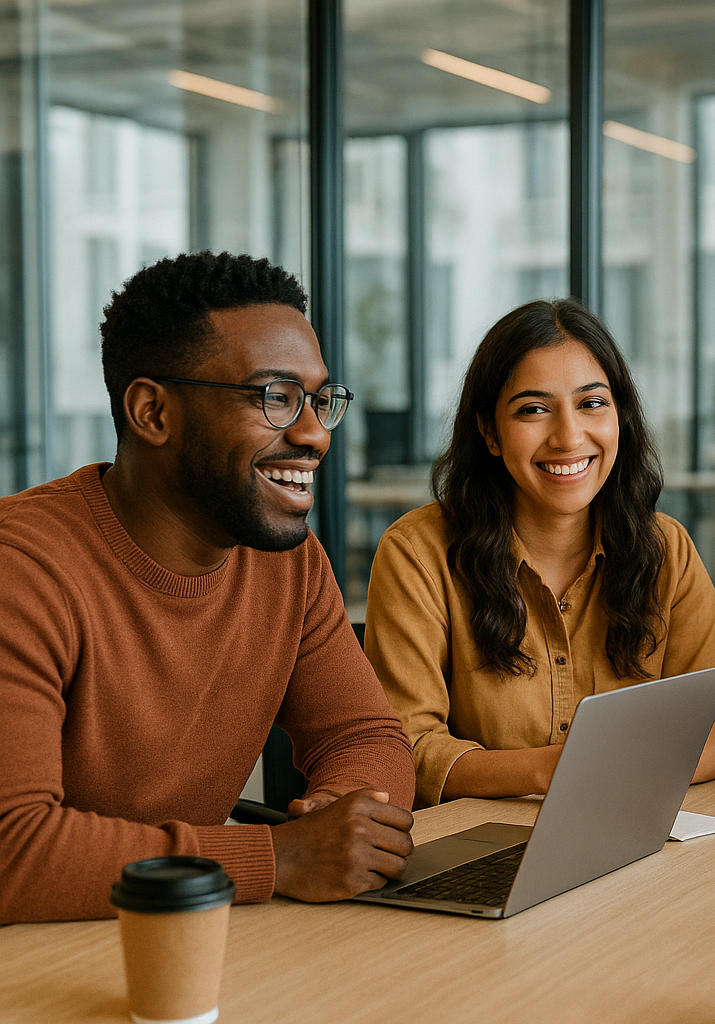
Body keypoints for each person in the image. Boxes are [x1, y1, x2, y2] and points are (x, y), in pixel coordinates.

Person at [0, 252, 418, 924]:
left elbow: (364, 735)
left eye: (319, 400)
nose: (314, 434)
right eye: (275, 397)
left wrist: (344, 813)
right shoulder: (22, 570)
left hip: (177, 933)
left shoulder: (287, 561)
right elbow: (11, 849)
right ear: (152, 412)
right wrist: (279, 858)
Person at [365, 299, 715, 807]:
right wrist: (557, 769)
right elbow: (407, 751)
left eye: (592, 403)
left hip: (633, 830)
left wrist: (623, 771)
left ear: (620, 416)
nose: (569, 437)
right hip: (479, 841)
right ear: (489, 431)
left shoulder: (665, 549)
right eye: (533, 409)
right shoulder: (417, 554)